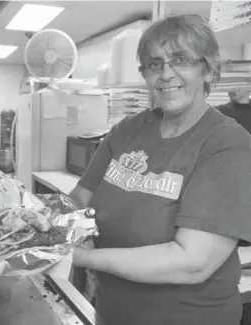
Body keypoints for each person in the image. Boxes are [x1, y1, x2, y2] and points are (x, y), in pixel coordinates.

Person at [68, 14, 251, 325]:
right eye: (154, 64)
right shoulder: (127, 130)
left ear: (206, 68)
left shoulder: (227, 143)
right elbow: (79, 199)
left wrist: (86, 258)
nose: (166, 74)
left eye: (180, 59)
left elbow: (192, 262)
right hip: (112, 312)